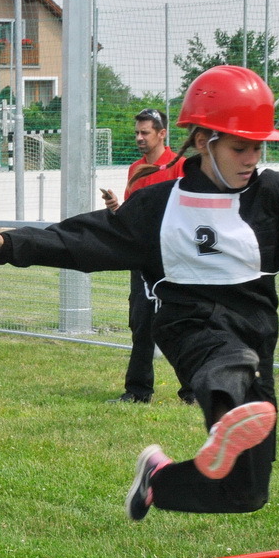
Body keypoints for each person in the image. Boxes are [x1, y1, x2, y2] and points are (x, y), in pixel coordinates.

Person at [0, 65, 279, 521]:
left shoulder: (275, 196)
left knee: (246, 492)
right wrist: (8, 243)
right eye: (239, 147)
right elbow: (83, 239)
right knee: (227, 363)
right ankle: (229, 411)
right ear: (201, 141)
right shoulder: (159, 205)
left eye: (258, 146)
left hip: (254, 335)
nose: (251, 157)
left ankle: (158, 481)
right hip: (188, 324)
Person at [101, 108, 193, 405]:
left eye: (145, 133)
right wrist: (117, 208)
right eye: (137, 133)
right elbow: (133, 216)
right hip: (142, 259)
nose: (140, 138)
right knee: (141, 324)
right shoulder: (135, 169)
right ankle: (138, 392)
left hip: (173, 259)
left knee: (178, 324)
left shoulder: (181, 166)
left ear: (162, 134)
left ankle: (193, 392)